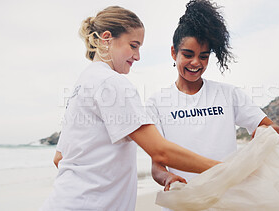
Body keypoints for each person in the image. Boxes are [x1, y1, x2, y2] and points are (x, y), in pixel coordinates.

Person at [41, 6, 220, 211]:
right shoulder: (111, 83)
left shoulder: (83, 84)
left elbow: (60, 158)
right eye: (133, 45)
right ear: (107, 38)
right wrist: (223, 169)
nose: (137, 56)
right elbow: (160, 151)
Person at [146, 0, 279, 204]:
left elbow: (274, 129)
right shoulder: (156, 103)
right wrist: (168, 178)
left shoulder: (228, 94)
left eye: (203, 56)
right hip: (184, 201)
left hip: (228, 201)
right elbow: (157, 166)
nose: (196, 63)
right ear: (174, 53)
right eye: (188, 54)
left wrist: (265, 135)